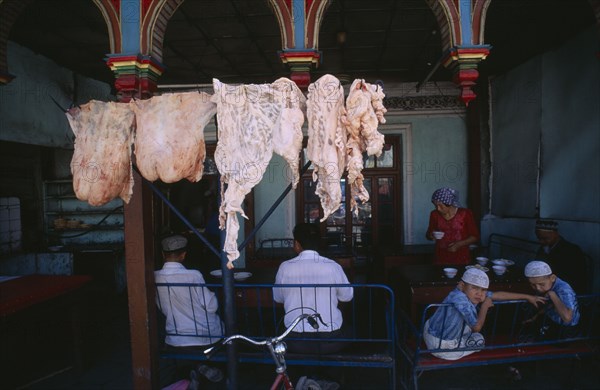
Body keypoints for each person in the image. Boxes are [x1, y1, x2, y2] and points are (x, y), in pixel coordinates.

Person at [424, 268, 544, 360]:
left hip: (430, 330)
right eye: (475, 288)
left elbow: (498, 295)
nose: (479, 294)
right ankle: (452, 347)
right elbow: (476, 328)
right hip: (440, 346)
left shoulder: (463, 292)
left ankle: (455, 339)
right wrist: (485, 307)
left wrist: (528, 297)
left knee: (466, 326)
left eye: (483, 290)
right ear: (461, 285)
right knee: (479, 340)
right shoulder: (460, 300)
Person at [273, 223, 354, 354]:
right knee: (350, 329)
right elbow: (347, 296)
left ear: (297, 244)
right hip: (331, 339)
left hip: (295, 339)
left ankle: (303, 372)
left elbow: (278, 298)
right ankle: (330, 371)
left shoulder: (285, 267)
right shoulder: (332, 266)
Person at [521, 260, 580, 340]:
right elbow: (551, 306)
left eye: (541, 284)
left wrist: (552, 295)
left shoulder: (564, 290)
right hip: (552, 321)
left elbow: (567, 318)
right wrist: (534, 318)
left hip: (566, 330)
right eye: (533, 285)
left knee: (535, 338)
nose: (538, 288)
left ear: (552, 278)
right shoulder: (548, 285)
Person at [426, 187, 480, 265]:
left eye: (440, 205)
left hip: (461, 258)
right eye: (435, 205)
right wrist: (432, 235)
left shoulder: (465, 214)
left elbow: (475, 236)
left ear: (449, 204)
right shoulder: (434, 214)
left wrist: (458, 244)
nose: (438, 209)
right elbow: (428, 234)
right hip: (440, 257)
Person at [534, 219, 588, 293]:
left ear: (555, 234)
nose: (541, 241)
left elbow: (574, 277)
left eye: (545, 238)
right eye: (539, 238)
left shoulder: (572, 250)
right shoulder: (543, 249)